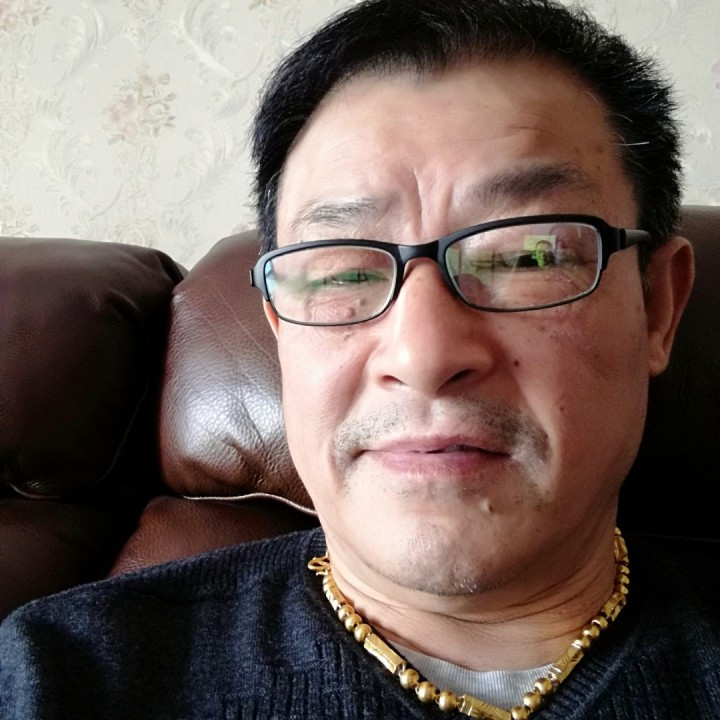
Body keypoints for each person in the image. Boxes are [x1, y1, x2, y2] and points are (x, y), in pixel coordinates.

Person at [0, 1, 715, 718]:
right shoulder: (60, 675)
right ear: (278, 325)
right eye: (342, 272)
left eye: (527, 255)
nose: (423, 354)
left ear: (657, 306)